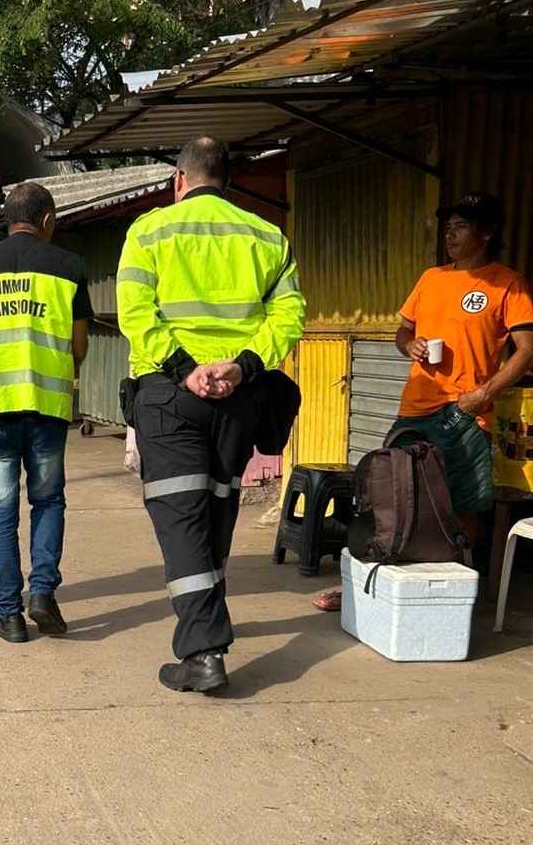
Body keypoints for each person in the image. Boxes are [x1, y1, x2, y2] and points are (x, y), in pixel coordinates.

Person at [117, 135, 306, 692]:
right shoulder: (266, 235)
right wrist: (243, 366)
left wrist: (185, 369)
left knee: (182, 521)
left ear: (179, 180)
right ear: (228, 180)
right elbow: (290, 314)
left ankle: (203, 651)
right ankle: (204, 634)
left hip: (170, 397)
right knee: (216, 514)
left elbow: (135, 312)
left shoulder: (149, 230)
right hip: (238, 400)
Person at [313, 191, 533, 612]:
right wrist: (408, 345)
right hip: (415, 404)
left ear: (487, 233)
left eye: (461, 226)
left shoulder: (507, 283)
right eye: (448, 227)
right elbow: (403, 330)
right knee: (391, 491)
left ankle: (452, 588)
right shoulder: (431, 278)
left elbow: (527, 350)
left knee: (464, 499)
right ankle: (375, 579)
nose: (450, 234)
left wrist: (483, 394)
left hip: (467, 410)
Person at [0, 182, 92, 644]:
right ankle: (43, 594)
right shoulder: (68, 267)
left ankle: (8, 615)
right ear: (46, 220)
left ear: (7, 219)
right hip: (46, 409)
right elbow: (80, 345)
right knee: (47, 501)